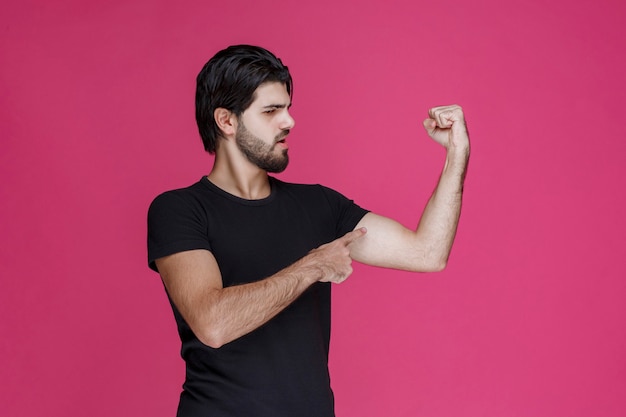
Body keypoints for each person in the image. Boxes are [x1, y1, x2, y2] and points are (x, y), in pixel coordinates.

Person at [147, 44, 470, 417]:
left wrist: (456, 155)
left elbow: (427, 253)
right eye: (271, 111)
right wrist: (315, 265)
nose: (289, 122)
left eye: (287, 108)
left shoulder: (320, 206)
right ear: (227, 121)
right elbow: (213, 323)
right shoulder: (179, 210)